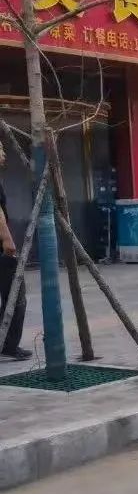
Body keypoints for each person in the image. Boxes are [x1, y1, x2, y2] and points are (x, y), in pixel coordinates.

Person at [0, 142, 30, 361]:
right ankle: (9, 344)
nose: (3, 153)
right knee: (16, 295)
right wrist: (7, 240)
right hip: (2, 248)